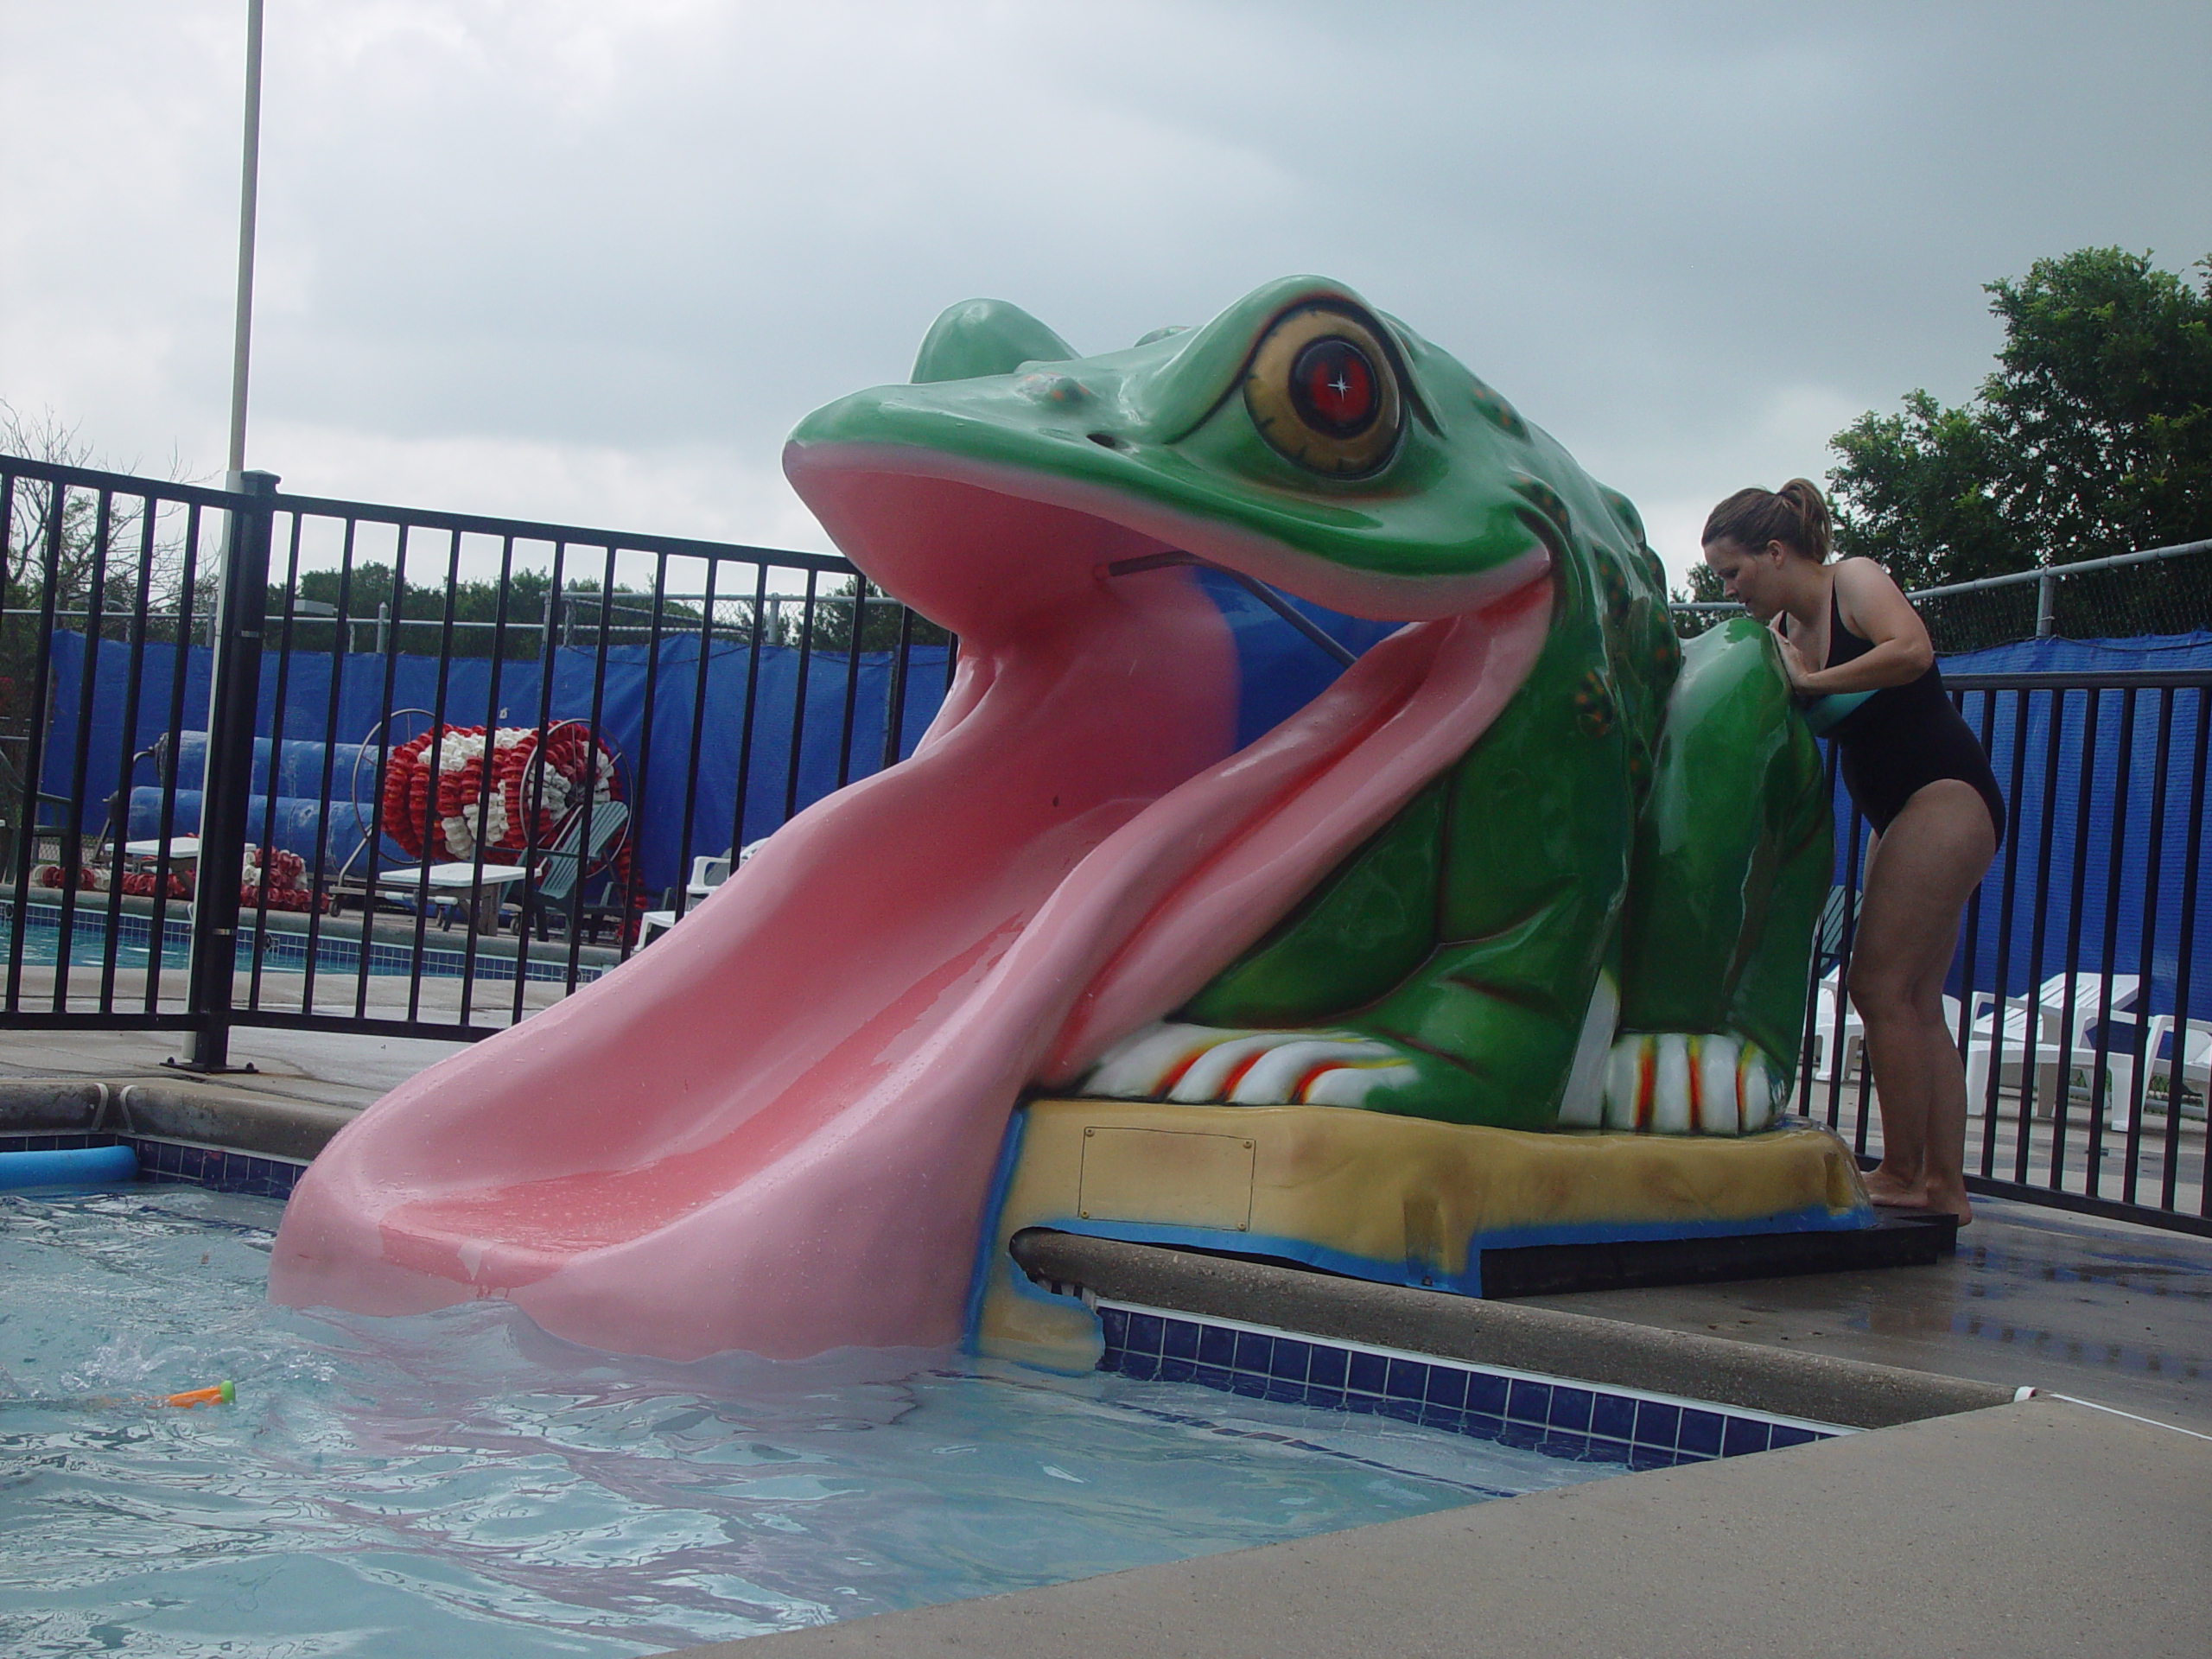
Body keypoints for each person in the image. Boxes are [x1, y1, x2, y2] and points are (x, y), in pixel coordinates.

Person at [1701, 480, 2002, 1224]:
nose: (1728, 589)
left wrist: (1812, 680)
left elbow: (1912, 650)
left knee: (1878, 986)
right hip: (1892, 813)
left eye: (1733, 572)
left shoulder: (1854, 581)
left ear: (1777, 551)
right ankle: (1943, 1187)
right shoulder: (1782, 628)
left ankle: (1903, 1171)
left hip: (1945, 793)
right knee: (1914, 1002)